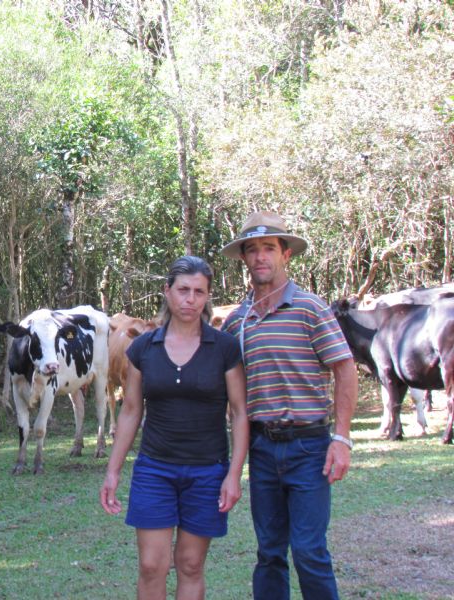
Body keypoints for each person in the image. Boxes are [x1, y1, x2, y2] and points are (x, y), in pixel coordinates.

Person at [219, 211, 358, 600]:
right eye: (252, 250)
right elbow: (229, 394)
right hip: (262, 449)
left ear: (285, 255)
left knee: (310, 551)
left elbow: (345, 370)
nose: (260, 257)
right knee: (269, 553)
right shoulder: (236, 322)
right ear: (244, 259)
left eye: (268, 248)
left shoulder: (311, 309)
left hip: (309, 448)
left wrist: (342, 439)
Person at [100, 256, 248, 600]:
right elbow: (131, 412)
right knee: (152, 565)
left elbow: (240, 413)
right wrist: (113, 471)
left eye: (199, 292)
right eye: (183, 290)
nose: (190, 299)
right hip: (155, 470)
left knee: (190, 564)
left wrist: (234, 474)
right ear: (167, 292)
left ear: (207, 296)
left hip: (208, 471)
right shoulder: (142, 349)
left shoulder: (224, 349)